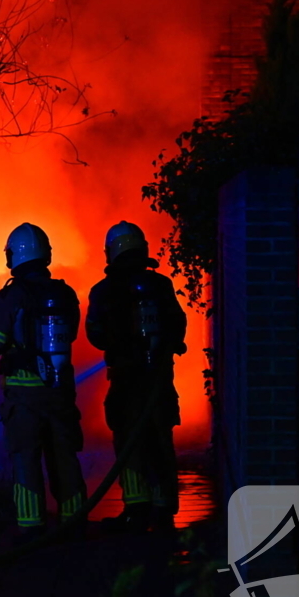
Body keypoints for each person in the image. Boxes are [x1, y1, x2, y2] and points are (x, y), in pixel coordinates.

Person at [0, 223, 87, 541]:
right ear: (46, 254)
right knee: (64, 456)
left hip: (24, 396)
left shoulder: (11, 297)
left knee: (26, 457)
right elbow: (73, 335)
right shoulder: (64, 293)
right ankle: (74, 524)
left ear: (13, 256)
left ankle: (31, 528)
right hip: (60, 390)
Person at [86, 221, 187, 533]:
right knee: (160, 439)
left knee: (129, 441)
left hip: (126, 381)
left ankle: (136, 508)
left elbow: (95, 334)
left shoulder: (103, 291)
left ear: (111, 252)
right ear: (142, 248)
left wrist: (120, 344)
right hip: (158, 379)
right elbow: (178, 322)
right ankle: (163, 509)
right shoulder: (160, 284)